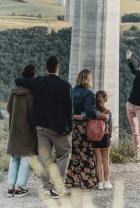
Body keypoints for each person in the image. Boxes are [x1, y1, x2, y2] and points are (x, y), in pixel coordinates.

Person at [15, 56, 73, 199]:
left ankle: (47, 189)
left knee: (44, 158)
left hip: (41, 127)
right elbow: (68, 110)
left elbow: (18, 80)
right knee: (64, 155)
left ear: (46, 68)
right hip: (60, 129)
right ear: (58, 67)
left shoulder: (39, 82)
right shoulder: (65, 86)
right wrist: (70, 128)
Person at [66, 69, 109, 189]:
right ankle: (86, 181)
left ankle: (71, 180)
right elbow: (90, 111)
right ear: (88, 79)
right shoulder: (88, 94)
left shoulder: (71, 91)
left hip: (70, 126)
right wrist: (102, 116)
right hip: (82, 127)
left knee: (73, 153)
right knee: (86, 153)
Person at [7, 64, 38, 198]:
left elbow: (9, 108)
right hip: (27, 128)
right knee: (26, 157)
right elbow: (34, 112)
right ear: (33, 75)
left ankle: (10, 187)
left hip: (14, 128)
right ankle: (20, 188)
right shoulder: (32, 93)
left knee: (14, 158)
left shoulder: (13, 91)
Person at [92, 91, 113, 190]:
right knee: (106, 160)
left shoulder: (93, 112)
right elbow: (110, 126)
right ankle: (106, 182)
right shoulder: (108, 112)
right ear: (105, 100)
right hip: (105, 137)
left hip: (95, 138)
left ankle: (100, 183)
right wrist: (110, 136)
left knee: (98, 161)